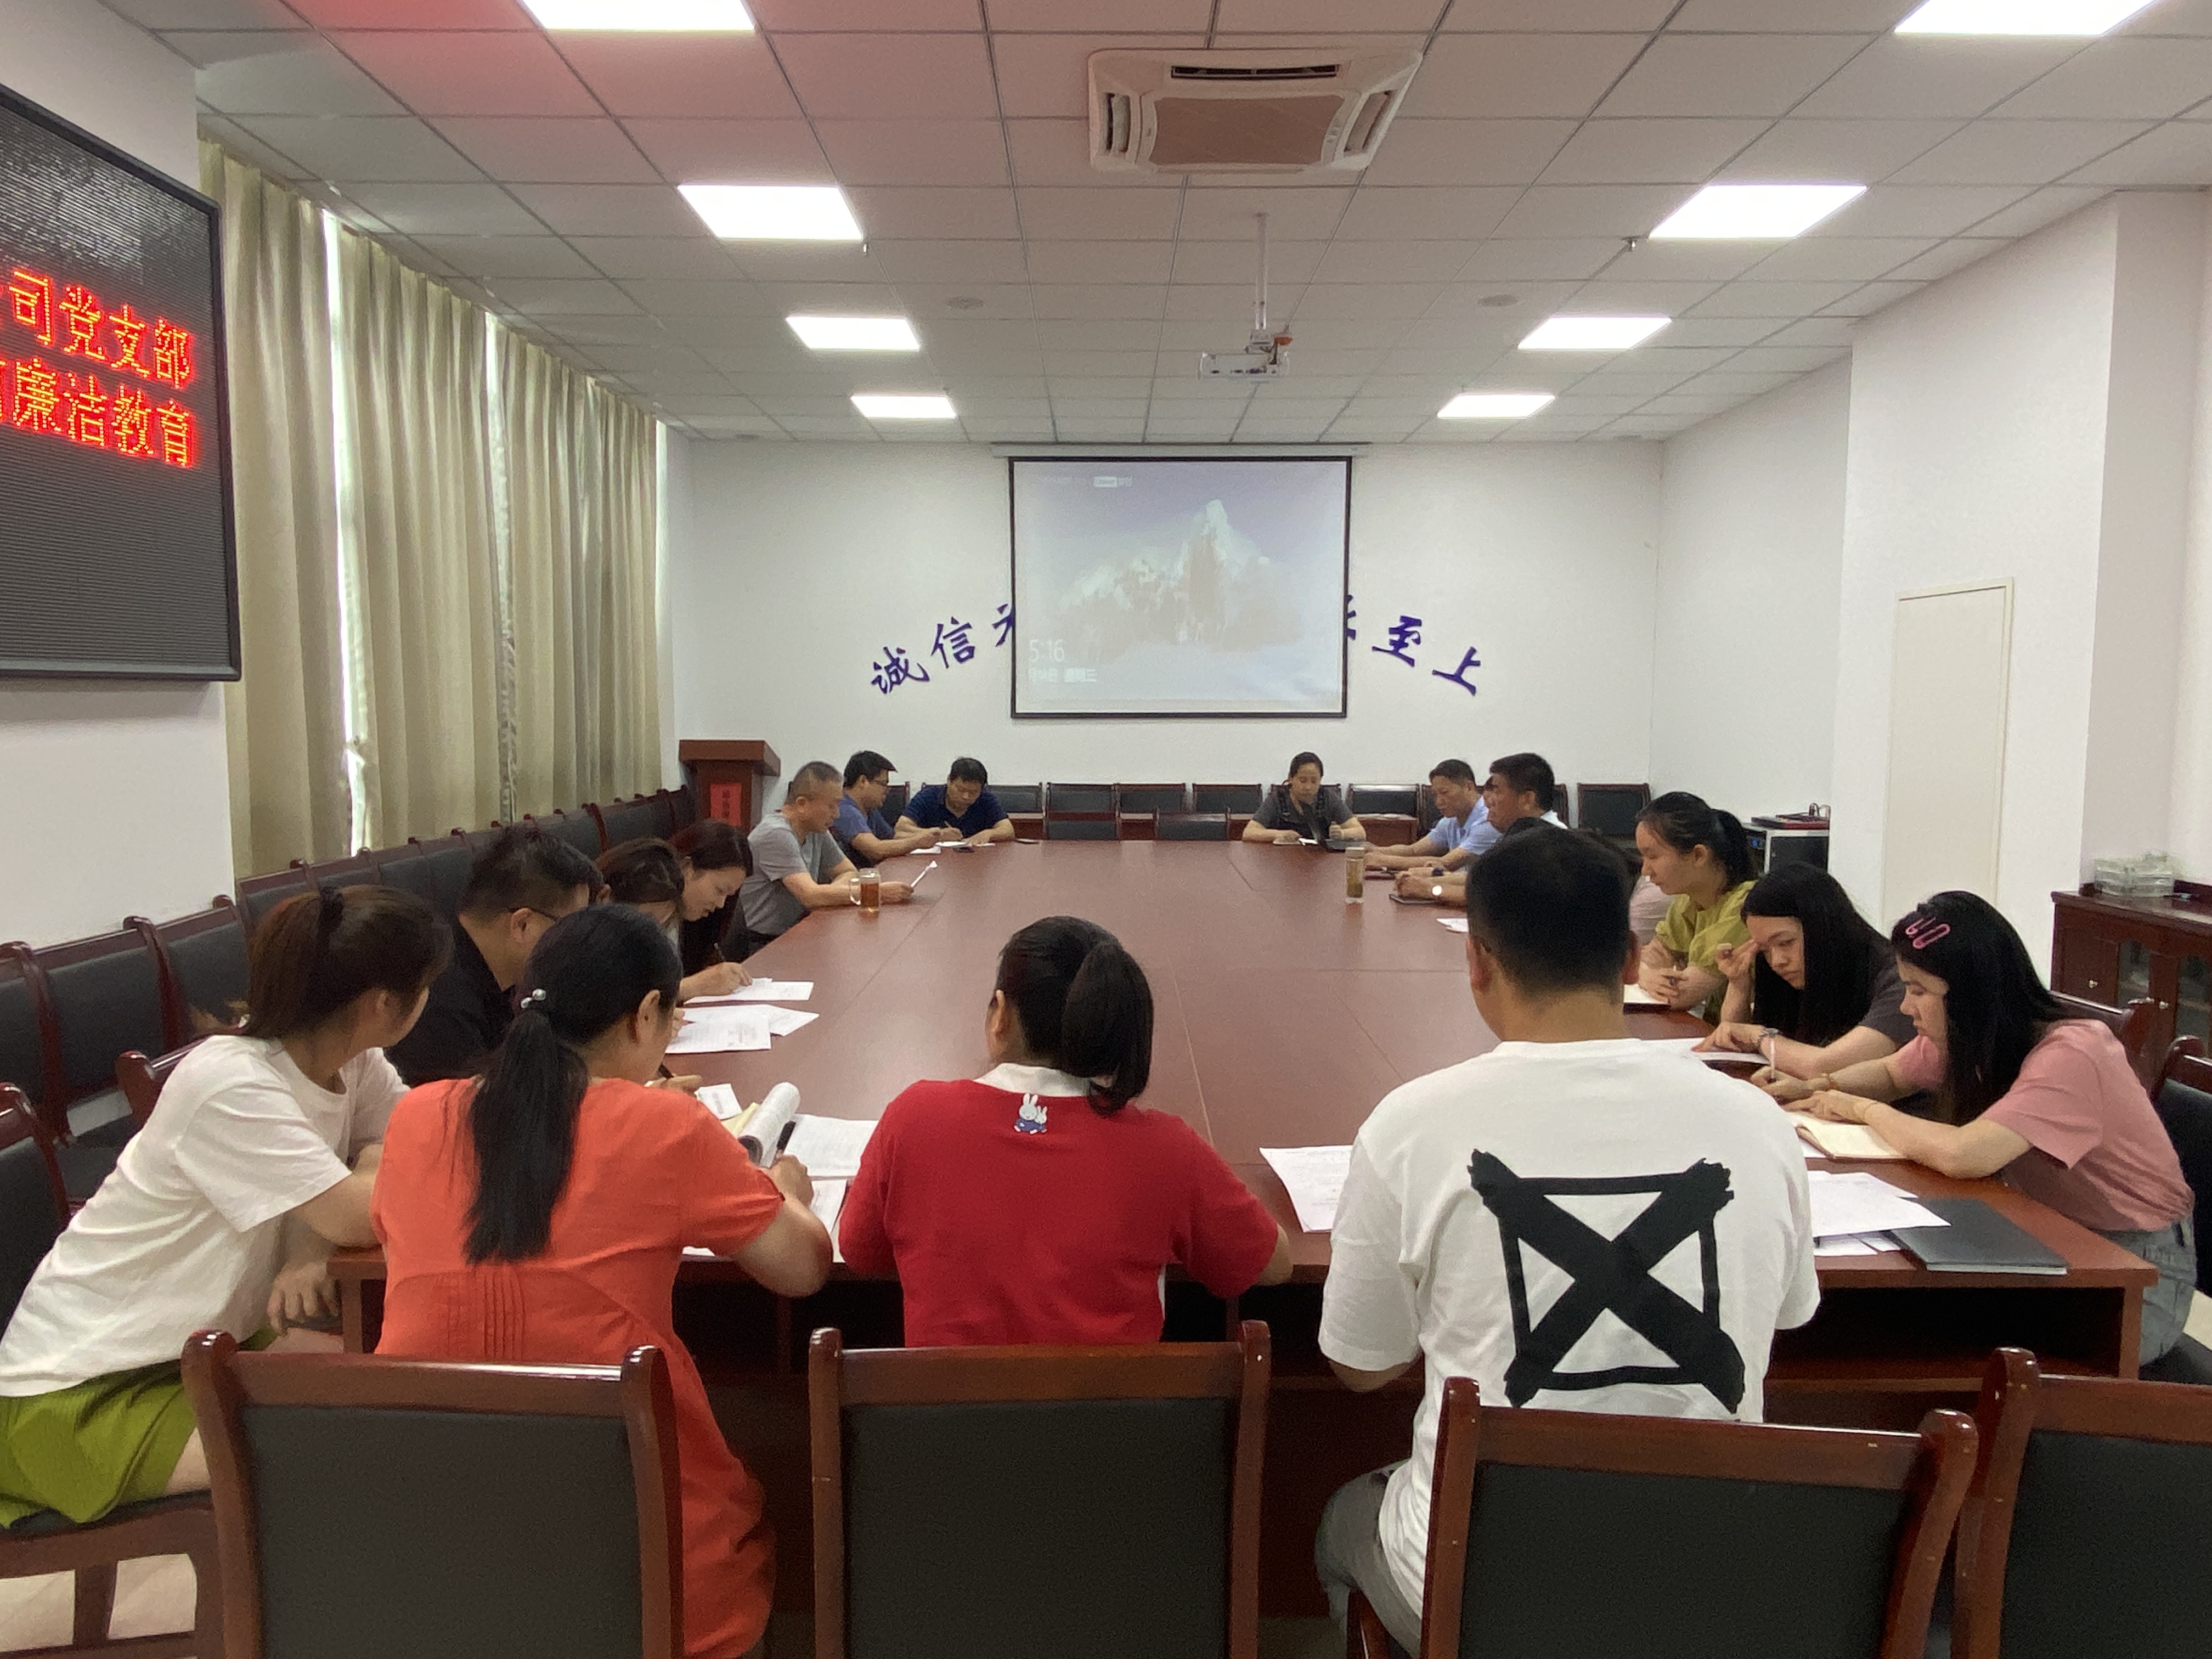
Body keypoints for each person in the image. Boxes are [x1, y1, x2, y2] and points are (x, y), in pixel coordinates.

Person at [1315, 830, 1817, 1653]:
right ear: (1630, 959)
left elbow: (1363, 1366)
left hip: (1486, 1588)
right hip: (1712, 1580)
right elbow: (1789, 1316)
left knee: (1341, 1523)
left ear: (1477, 962)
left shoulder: (1413, 1126)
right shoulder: (1757, 1122)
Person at [373, 905, 832, 1659]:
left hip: (434, 1546)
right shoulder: (665, 1126)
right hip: (639, 1567)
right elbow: (803, 1268)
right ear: (647, 1014)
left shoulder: (419, 1116)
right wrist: (783, 1189)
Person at [0, 888, 448, 1527]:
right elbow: (359, 1209)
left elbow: (407, 1140)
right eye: (426, 985)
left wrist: (317, 1239)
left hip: (194, 1347)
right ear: (382, 1004)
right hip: (79, 1393)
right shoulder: (231, 1083)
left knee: (396, 1388)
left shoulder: (353, 1062)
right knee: (354, 1443)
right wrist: (334, 1217)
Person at [1769, 891, 2196, 1363]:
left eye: (1919, 991)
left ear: (1971, 993)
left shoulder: (2074, 1053)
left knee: (1909, 1337)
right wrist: (1817, 1086)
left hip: (2134, 1271)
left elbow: (1964, 1155)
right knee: (1883, 1318)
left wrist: (1864, 1110)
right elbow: (1892, 1073)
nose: (1908, 1007)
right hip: (2044, 1230)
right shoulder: (1975, 1037)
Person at [840, 916, 1293, 1344]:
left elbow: (861, 1252)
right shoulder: (1166, 1148)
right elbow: (1270, 1266)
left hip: (939, 1405)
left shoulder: (913, 1117)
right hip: (1117, 1406)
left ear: (1000, 1015)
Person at [386, 825, 599, 1086]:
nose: (577, 945)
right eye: (571, 928)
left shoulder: (500, 974)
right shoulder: (440, 1007)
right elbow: (485, 1108)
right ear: (523, 925)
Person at [1698, 864, 1915, 1078]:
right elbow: (1736, 1042)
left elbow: (1825, 1067)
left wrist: (1761, 1037)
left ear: (1823, 928)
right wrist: (1738, 984)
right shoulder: (1799, 973)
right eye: (1764, 950)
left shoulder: (1901, 981)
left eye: (1785, 943)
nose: (1777, 962)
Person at [740, 761, 911, 946]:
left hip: (800, 930)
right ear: (802, 804)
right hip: (762, 944)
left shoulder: (816, 829)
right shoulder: (776, 833)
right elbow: (810, 896)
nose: (836, 814)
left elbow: (848, 872)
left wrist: (831, 893)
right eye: (832, 806)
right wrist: (876, 893)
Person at [1635, 791, 1756, 1019]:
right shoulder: (1687, 902)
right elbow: (1650, 957)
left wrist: (1644, 975)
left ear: (1699, 855)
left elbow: (1679, 994)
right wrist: (1645, 976)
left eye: (1653, 857)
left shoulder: (1745, 906)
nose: (1645, 870)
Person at [1391, 753, 1565, 905]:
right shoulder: (1520, 834)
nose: (1489, 804)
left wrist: (1430, 889)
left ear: (1527, 799)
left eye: (1497, 792)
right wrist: (1433, 877)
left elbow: (1494, 897)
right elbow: (1488, 881)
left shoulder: (1549, 843)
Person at [597, 838, 752, 1004]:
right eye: (719, 890)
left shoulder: (685, 918)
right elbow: (618, 1002)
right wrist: (688, 988)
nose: (721, 904)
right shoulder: (594, 947)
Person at [1363, 760, 1489, 873]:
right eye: (1435, 795)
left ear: (1469, 787)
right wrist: (1369, 851)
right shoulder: (1450, 820)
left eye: (1445, 793)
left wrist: (1382, 860)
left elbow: (1446, 863)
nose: (1438, 802)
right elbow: (1413, 851)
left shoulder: (1489, 819)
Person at [668, 819, 754, 978]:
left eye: (729, 896)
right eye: (720, 890)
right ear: (687, 868)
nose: (721, 904)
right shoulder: (644, 912)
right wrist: (693, 986)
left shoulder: (698, 924)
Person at [836, 751, 945, 866]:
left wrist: (933, 836)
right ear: (863, 781)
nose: (887, 791)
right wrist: (917, 842)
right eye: (884, 784)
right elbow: (875, 850)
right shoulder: (844, 810)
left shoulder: (870, 808)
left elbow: (892, 837)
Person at [1245, 752, 1368, 846]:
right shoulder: (1277, 799)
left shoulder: (1329, 798)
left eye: (1314, 781)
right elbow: (1249, 833)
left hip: (1321, 860)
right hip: (1284, 860)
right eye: (1303, 780)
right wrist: (1279, 834)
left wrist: (1342, 834)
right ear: (1291, 778)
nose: (1308, 787)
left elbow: (1360, 832)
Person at [896, 756, 1014, 845]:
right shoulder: (927, 797)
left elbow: (1008, 830)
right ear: (949, 781)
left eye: (973, 792)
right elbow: (901, 830)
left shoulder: (986, 799)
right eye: (961, 790)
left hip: (975, 861)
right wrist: (939, 835)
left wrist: (988, 834)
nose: (966, 797)